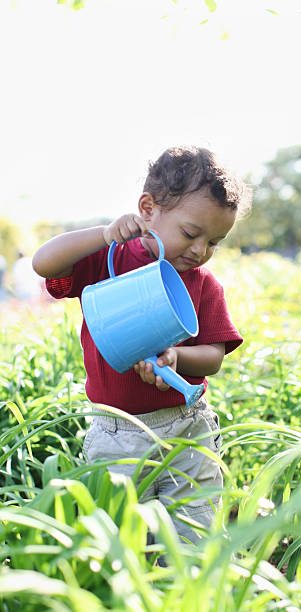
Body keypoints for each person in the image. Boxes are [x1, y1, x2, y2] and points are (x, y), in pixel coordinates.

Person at [32, 145, 252, 544]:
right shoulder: (108, 260)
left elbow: (213, 357)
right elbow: (43, 262)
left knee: (195, 534)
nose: (201, 250)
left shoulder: (204, 286)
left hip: (187, 427)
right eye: (190, 233)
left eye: (214, 242)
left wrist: (177, 357)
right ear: (148, 209)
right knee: (123, 541)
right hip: (116, 432)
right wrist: (102, 235)